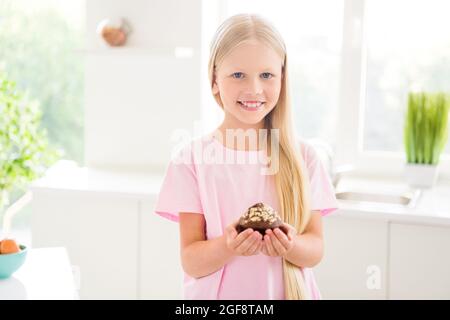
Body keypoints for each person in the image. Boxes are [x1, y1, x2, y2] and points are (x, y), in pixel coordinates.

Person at [154, 13, 338, 300]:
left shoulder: (305, 157)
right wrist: (228, 245)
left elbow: (315, 250)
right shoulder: (191, 160)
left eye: (266, 75)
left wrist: (289, 245)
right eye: (238, 74)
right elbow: (191, 259)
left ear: (282, 78)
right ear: (215, 79)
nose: (254, 89)